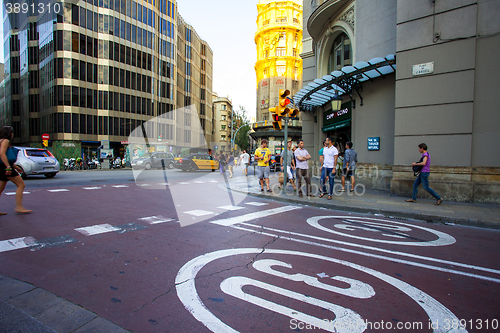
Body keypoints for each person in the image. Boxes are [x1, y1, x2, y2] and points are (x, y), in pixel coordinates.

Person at [0, 126, 32, 214]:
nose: (12, 134)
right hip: (5, 167)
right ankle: (19, 207)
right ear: (9, 133)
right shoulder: (5, 141)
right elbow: (2, 154)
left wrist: (15, 167)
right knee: (21, 184)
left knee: (1, 188)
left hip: (3, 166)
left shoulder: (1, 141)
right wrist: (8, 167)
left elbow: (7, 156)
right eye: (11, 132)